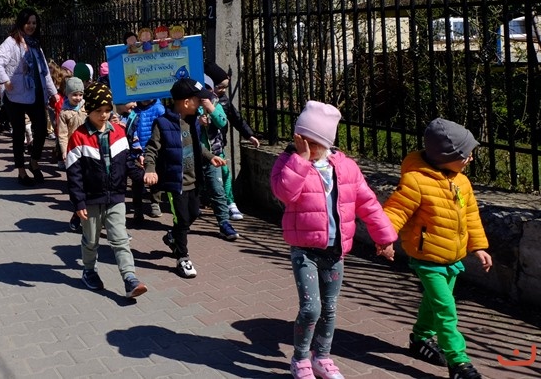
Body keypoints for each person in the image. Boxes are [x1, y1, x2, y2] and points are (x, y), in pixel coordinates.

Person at [271, 100, 398, 379]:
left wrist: (384, 237)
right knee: (311, 308)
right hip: (304, 250)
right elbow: (284, 193)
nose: (306, 146)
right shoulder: (289, 162)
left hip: (335, 250)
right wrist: (300, 160)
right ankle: (300, 359)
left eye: (312, 142)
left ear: (326, 142)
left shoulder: (346, 167)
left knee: (329, 309)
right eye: (301, 140)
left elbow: (368, 203)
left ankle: (322, 357)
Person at [382, 118, 491, 379]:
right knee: (446, 310)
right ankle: (459, 362)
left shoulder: (462, 182)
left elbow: (471, 216)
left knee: (433, 304)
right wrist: (384, 238)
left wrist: (479, 246)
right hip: (427, 258)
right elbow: (395, 212)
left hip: (452, 257)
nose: (471, 158)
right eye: (466, 154)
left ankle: (420, 338)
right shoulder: (416, 181)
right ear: (447, 156)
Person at [66, 81, 148, 299]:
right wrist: (78, 202)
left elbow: (128, 163)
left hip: (116, 197)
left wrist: (143, 176)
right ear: (88, 110)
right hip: (91, 199)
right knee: (91, 240)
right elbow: (74, 174)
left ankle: (130, 278)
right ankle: (89, 270)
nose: (103, 115)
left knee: (120, 239)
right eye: (98, 111)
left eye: (107, 110)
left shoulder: (119, 132)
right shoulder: (79, 137)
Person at [143, 78, 229, 279]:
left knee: (193, 213)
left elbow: (198, 146)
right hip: (176, 183)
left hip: (194, 180)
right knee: (181, 219)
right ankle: (182, 257)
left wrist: (210, 156)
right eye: (198, 100)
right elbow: (152, 149)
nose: (201, 103)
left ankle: (173, 236)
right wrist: (150, 169)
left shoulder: (193, 122)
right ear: (186, 102)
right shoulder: (162, 123)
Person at [0, 8, 60, 186]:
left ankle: (34, 161)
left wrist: (53, 93)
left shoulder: (35, 44)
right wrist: (5, 80)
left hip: (35, 93)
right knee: (19, 134)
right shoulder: (12, 42)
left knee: (42, 129)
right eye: (28, 22)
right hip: (15, 96)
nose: (31, 26)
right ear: (21, 23)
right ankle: (21, 171)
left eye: (34, 23)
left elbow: (44, 72)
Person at [205, 62, 260, 220]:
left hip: (218, 145)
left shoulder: (223, 100)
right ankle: (206, 200)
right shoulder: (200, 100)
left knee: (225, 173)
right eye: (220, 87)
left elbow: (236, 118)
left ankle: (230, 203)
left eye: (225, 87)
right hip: (202, 146)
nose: (223, 90)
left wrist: (249, 135)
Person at [57, 76, 88, 232]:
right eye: (74, 94)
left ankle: (90, 216)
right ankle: (77, 214)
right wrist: (64, 151)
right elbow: (62, 134)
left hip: (88, 149)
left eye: (80, 94)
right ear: (67, 94)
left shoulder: (87, 107)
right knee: (76, 185)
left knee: (89, 184)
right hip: (73, 151)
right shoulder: (64, 113)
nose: (78, 98)